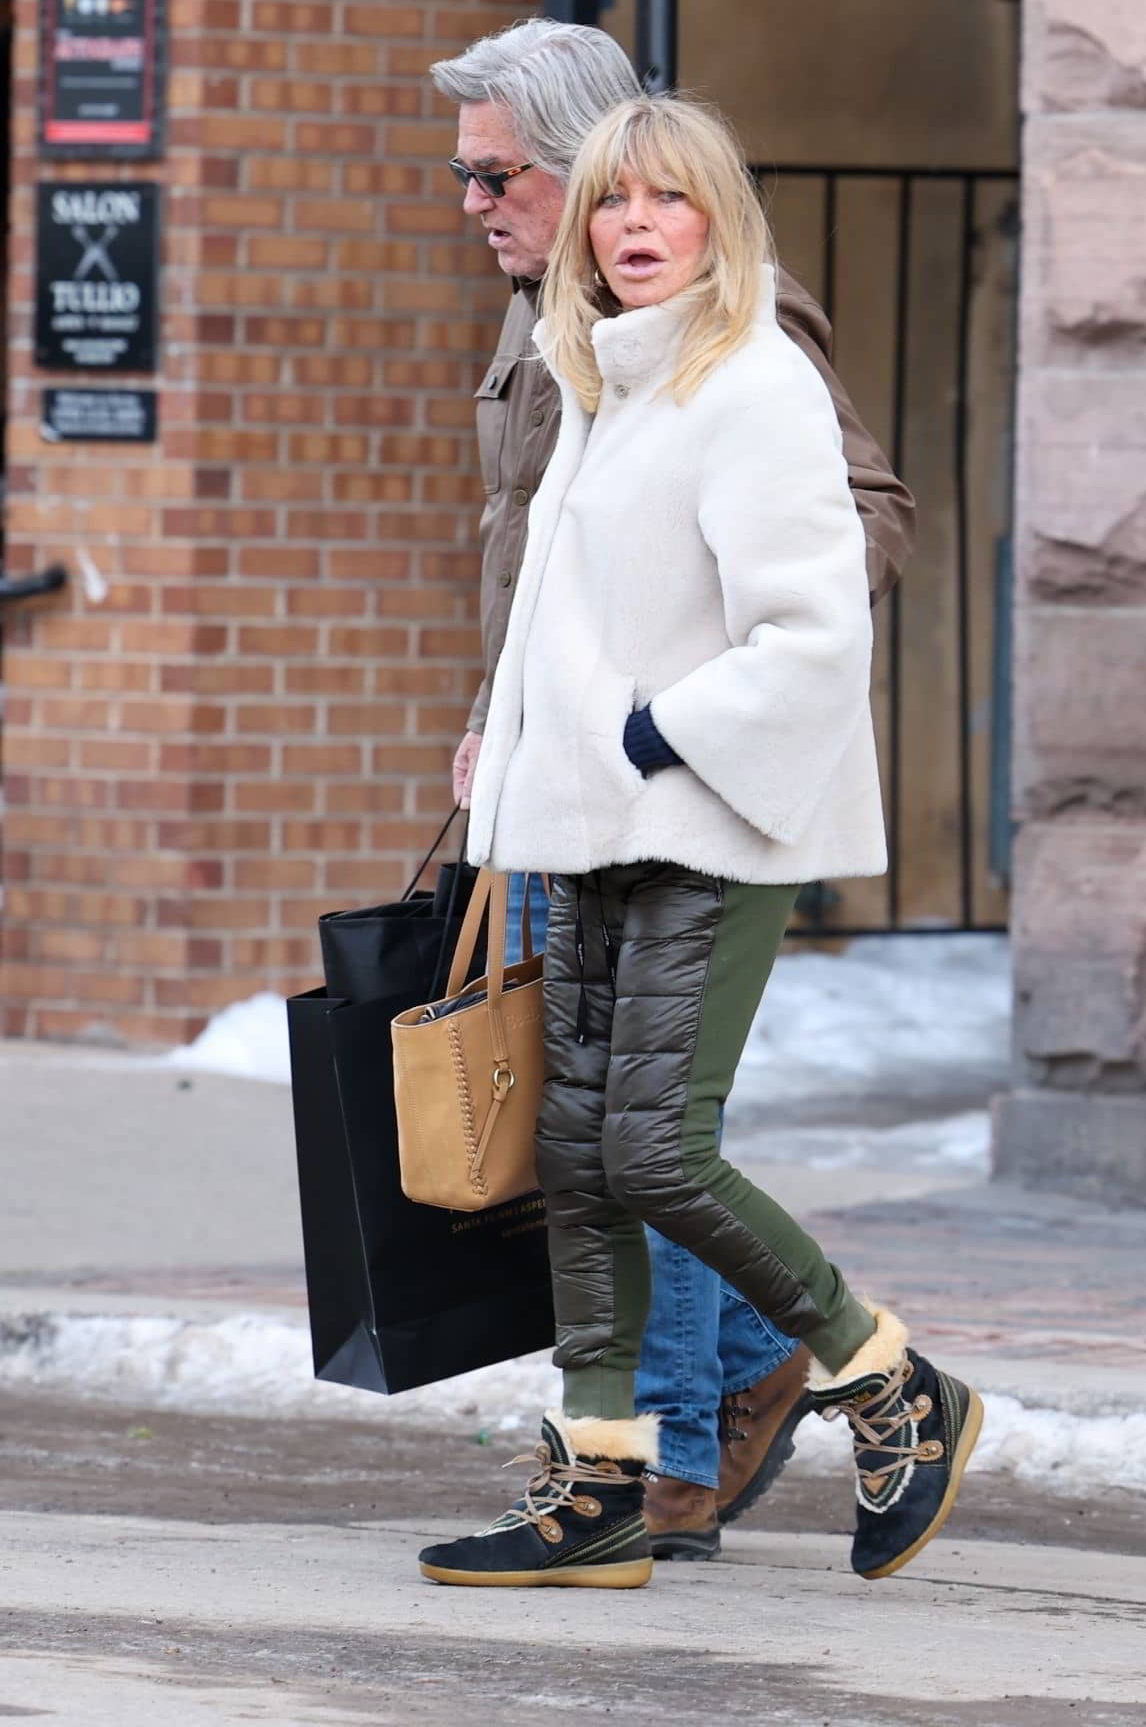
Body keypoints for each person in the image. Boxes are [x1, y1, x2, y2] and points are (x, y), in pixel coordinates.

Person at [417, 95, 982, 1592]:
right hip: (584, 819)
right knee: (579, 1156)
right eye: (613, 202)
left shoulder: (752, 384)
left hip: (710, 820)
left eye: (670, 199)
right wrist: (527, 761)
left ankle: (889, 1379)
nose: (636, 224)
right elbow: (561, 621)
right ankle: (601, 1480)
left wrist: (654, 736)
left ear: (720, 220)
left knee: (658, 1148)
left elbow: (809, 629)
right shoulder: (598, 378)